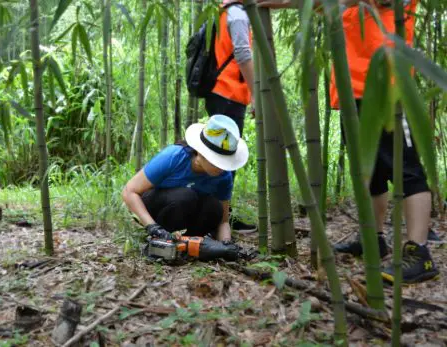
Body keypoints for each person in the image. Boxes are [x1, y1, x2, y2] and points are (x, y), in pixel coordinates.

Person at [257, 0, 439, 284]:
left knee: (408, 170)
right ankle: (374, 239)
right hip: (351, 91)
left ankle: (420, 253)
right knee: (371, 173)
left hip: (388, 86)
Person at [122, 115, 249, 242]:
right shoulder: (174, 156)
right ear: (200, 152)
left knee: (214, 207)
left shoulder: (223, 177)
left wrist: (226, 243)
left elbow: (223, 221)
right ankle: (160, 238)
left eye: (225, 162)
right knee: (186, 196)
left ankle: (187, 244)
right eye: (217, 161)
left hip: (186, 219)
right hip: (156, 209)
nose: (221, 167)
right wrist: (153, 227)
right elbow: (129, 191)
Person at [205, 0, 256, 234]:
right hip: (228, 95)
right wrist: (257, 94)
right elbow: (243, 53)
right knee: (223, 158)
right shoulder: (236, 13)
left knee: (222, 157)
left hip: (225, 94)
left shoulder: (226, 12)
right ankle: (219, 218)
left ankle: (219, 215)